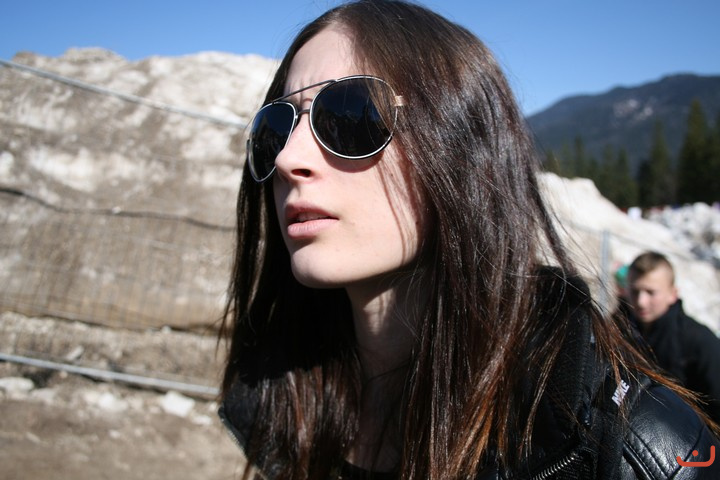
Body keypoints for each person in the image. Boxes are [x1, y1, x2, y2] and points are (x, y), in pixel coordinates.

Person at [217, 1, 720, 478]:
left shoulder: (638, 447)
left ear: (460, 144)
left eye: (350, 114)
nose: (288, 157)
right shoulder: (286, 408)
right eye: (276, 127)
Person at [625, 251, 720, 424]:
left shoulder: (699, 341)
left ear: (673, 294)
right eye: (635, 291)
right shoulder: (620, 329)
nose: (641, 301)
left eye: (651, 292)